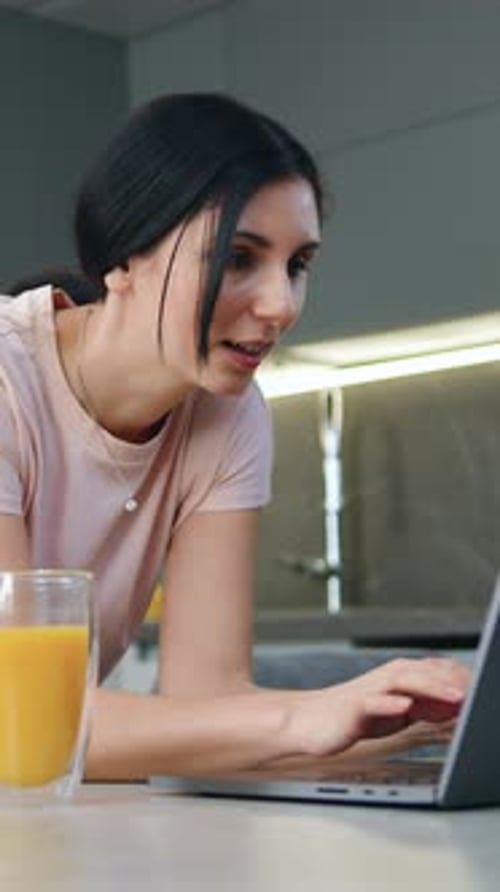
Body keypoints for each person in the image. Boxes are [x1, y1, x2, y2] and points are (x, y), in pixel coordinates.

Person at [0, 92, 468, 781]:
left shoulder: (228, 414)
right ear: (125, 256)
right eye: (239, 257)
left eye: (297, 265)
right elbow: (16, 719)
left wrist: (407, 725)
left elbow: (207, 703)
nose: (280, 305)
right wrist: (299, 719)